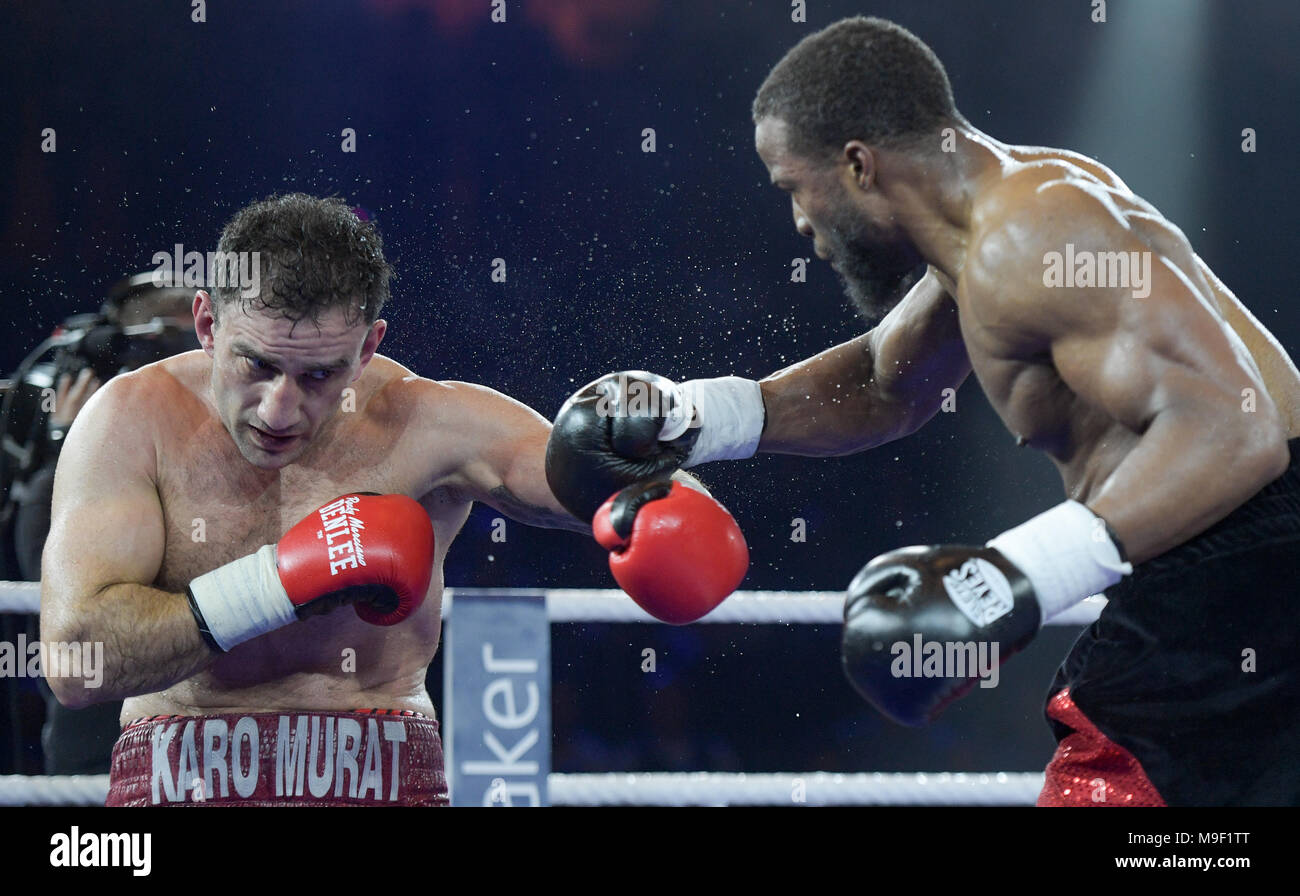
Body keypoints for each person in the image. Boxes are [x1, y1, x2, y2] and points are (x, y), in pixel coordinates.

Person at [543, 16, 1300, 807]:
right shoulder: (1005, 224)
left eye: (793, 187)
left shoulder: (1031, 235)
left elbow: (1234, 431)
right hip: (1235, 570)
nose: (799, 222)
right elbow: (883, 382)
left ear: (858, 165)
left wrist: (1007, 578)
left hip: (1235, 572)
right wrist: (692, 415)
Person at [39, 193, 609, 806]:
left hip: (379, 776)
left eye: (319, 375)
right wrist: (279, 586)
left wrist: (700, 424)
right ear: (207, 324)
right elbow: (76, 661)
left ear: (366, 348)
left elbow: (614, 486)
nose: (278, 410)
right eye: (256, 364)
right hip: (181, 777)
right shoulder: (132, 419)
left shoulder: (430, 421)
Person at [11, 279, 198, 775]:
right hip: (95, 743)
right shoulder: (73, 464)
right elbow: (43, 572)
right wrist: (71, 447)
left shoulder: (236, 439)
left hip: (202, 745)